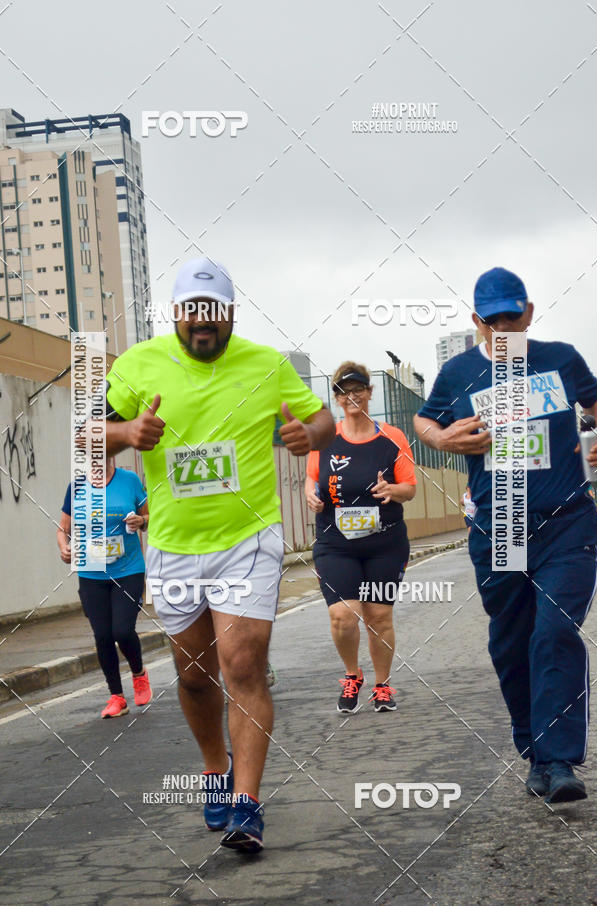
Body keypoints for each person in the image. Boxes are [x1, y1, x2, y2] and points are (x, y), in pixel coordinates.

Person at [98, 257, 335, 852]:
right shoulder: (138, 366)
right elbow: (85, 431)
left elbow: (323, 417)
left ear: (229, 314)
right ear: (177, 314)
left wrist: (314, 435)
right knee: (196, 678)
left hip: (247, 541)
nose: (203, 324)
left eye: (214, 313)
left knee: (243, 665)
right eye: (192, 313)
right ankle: (215, 771)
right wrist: (125, 435)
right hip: (175, 549)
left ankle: (248, 806)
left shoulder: (265, 364)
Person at [414, 266, 597, 804]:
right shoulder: (459, 373)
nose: (503, 328)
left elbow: (595, 401)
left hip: (565, 522)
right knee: (513, 644)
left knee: (554, 632)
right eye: (491, 320)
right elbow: (425, 422)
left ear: (530, 313)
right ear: (476, 321)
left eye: (511, 317)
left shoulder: (561, 359)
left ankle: (560, 758)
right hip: (502, 526)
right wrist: (445, 437)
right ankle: (537, 752)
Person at [305, 362, 417, 714]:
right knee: (343, 615)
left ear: (369, 393)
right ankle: (353, 675)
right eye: (343, 392)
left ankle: (382, 685)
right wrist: (311, 494)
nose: (351, 397)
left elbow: (410, 489)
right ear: (336, 398)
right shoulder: (323, 439)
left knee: (379, 617)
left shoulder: (392, 437)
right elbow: (312, 478)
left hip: (384, 542)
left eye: (357, 390)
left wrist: (392, 490)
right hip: (335, 543)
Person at [57, 457, 152, 718]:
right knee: (102, 635)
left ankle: (139, 673)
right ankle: (117, 697)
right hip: (91, 573)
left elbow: (149, 516)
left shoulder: (129, 480)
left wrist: (141, 523)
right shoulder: (76, 486)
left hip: (128, 569)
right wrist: (64, 547)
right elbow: (63, 529)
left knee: (122, 630)